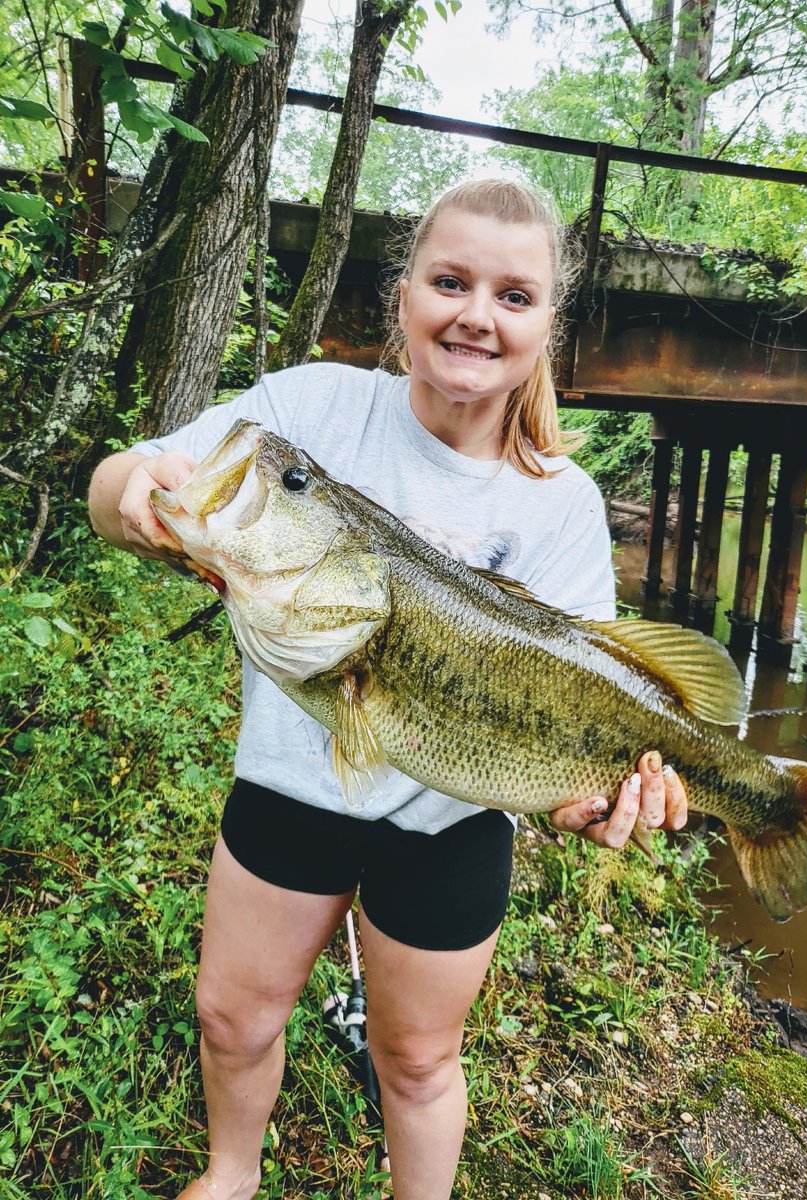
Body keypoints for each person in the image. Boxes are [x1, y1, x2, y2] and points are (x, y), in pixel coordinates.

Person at [88, 179, 688, 1200]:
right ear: (403, 293)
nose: (475, 314)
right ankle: (232, 1174)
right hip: (291, 793)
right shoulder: (308, 411)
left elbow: (595, 702)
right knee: (233, 1018)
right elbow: (133, 475)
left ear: (547, 325)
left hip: (450, 828)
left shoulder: (563, 506)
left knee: (417, 1063)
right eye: (449, 281)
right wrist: (129, 495)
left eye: (513, 295)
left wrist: (597, 803)